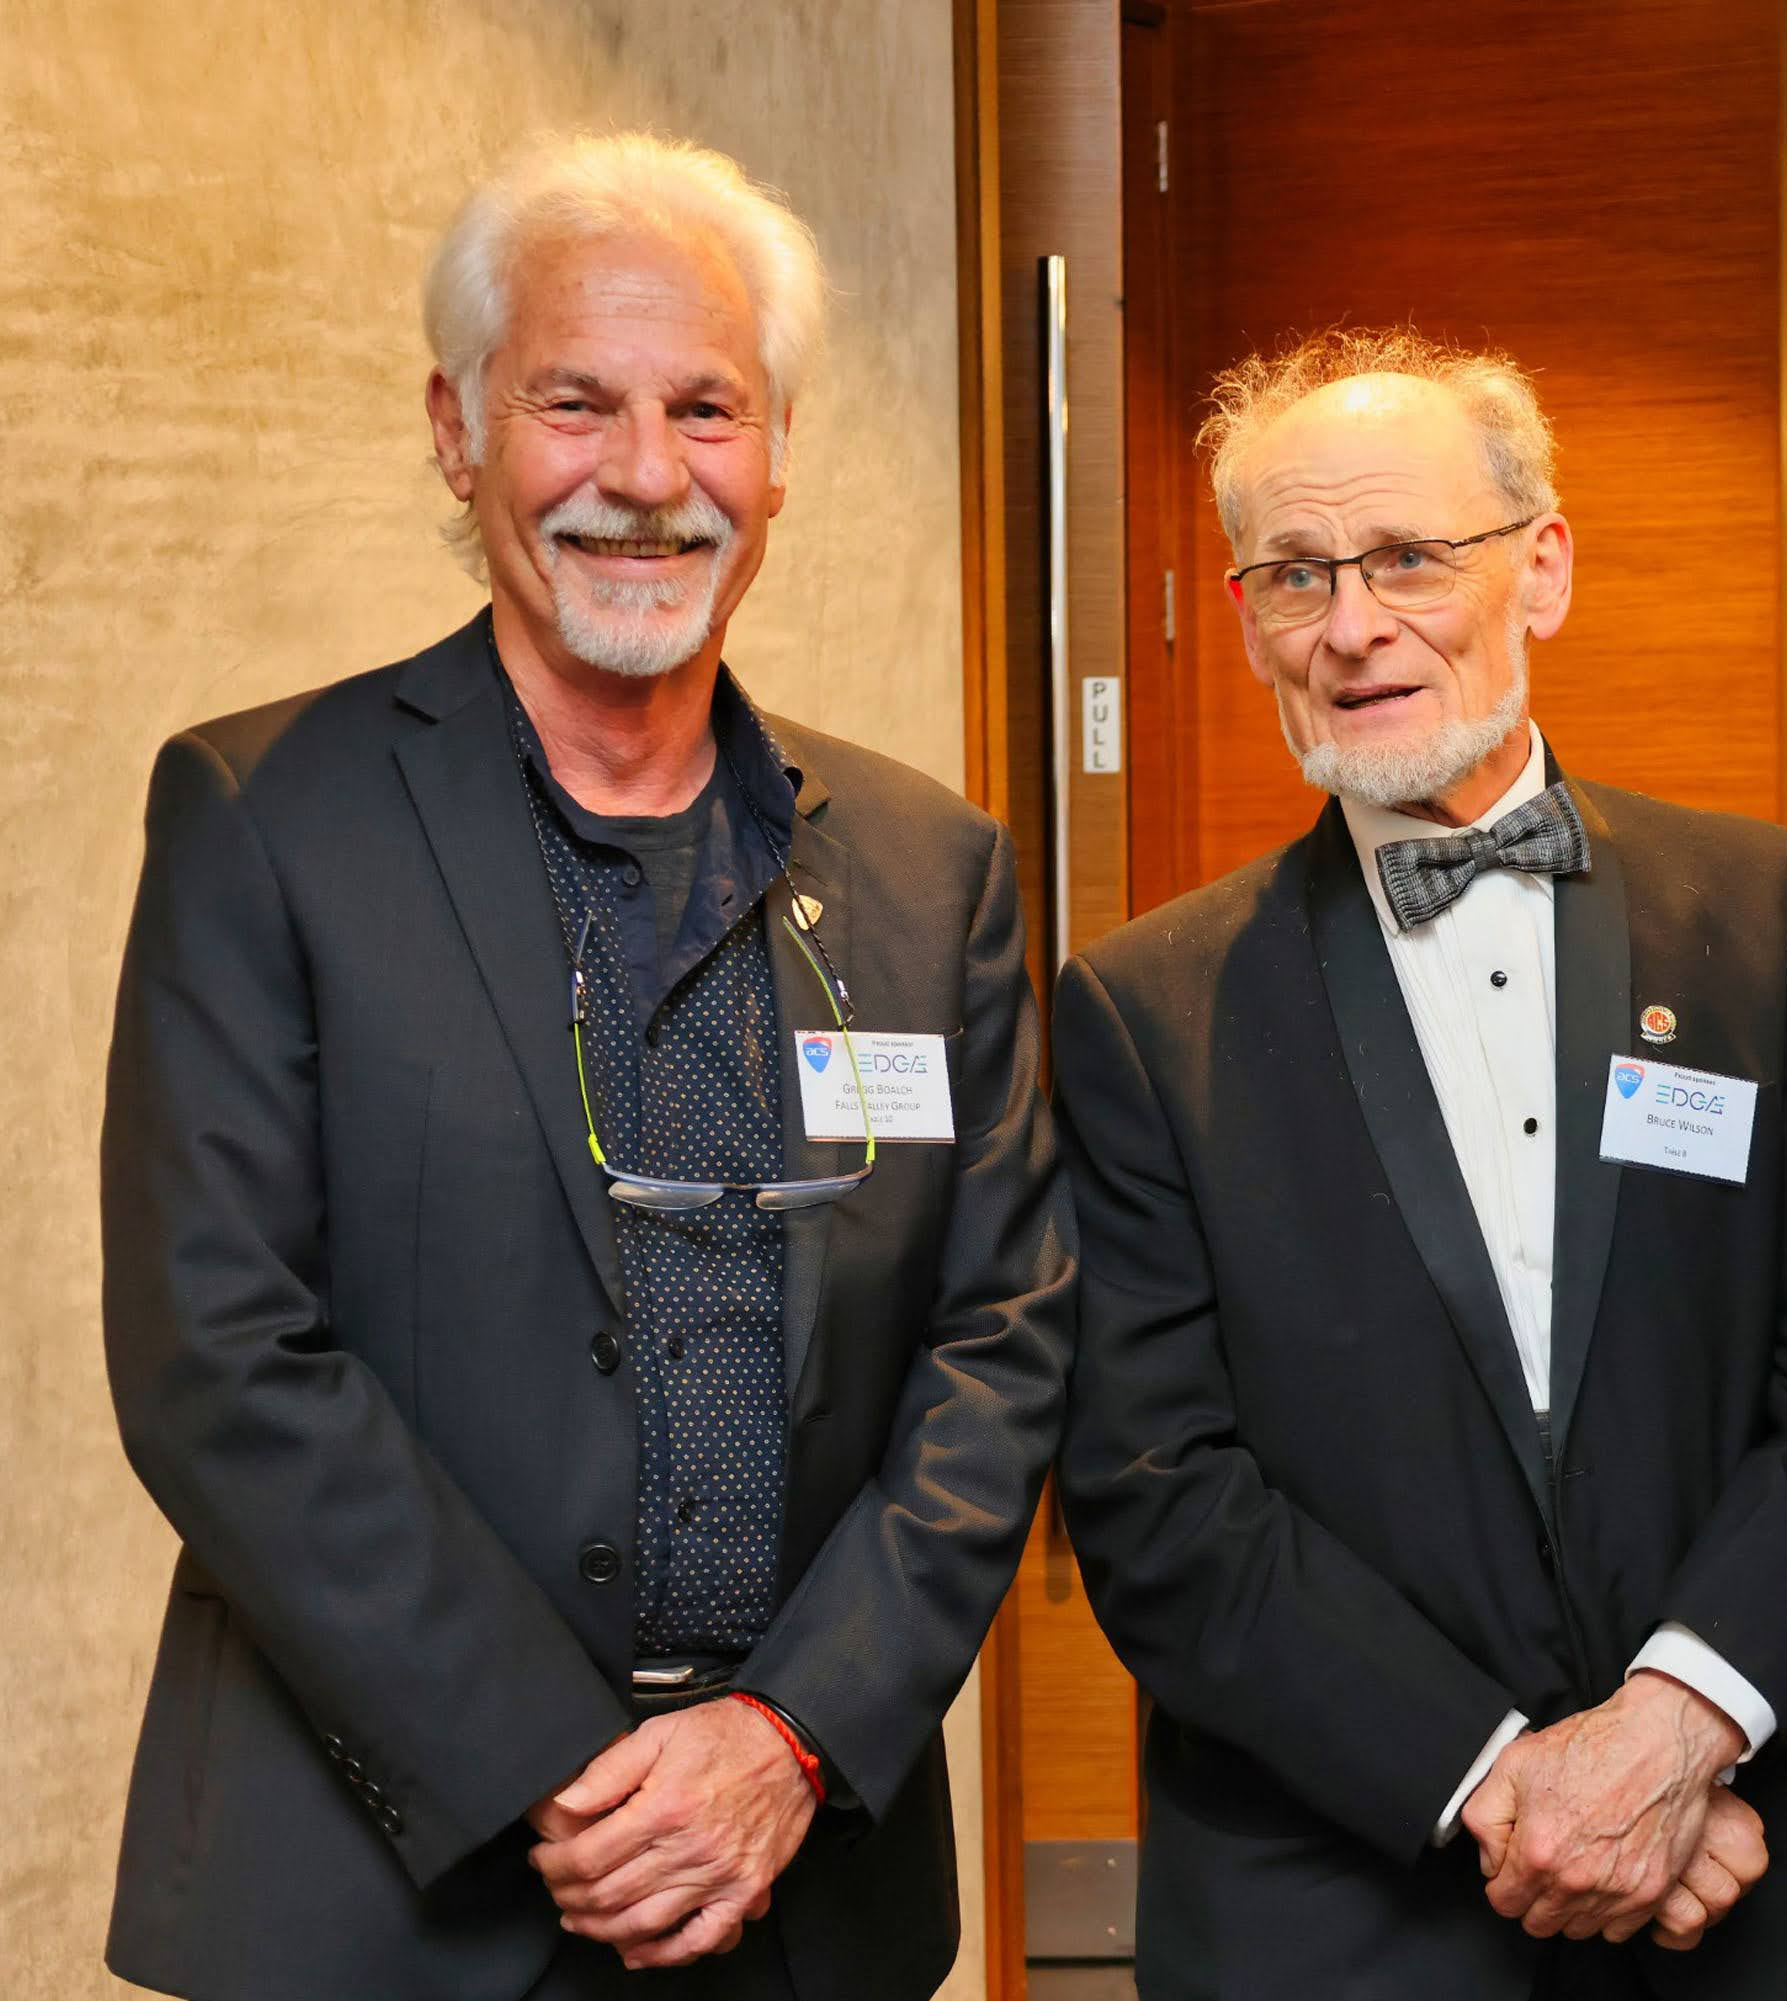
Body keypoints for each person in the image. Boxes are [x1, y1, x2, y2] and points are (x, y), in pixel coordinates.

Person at [100, 132, 1072, 2001]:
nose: (644, 475)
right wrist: (564, 1770)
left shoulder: (929, 867)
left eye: (706, 408)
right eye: (574, 403)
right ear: (457, 432)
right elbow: (218, 1350)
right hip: (388, 1893)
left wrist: (792, 1734)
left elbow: (1003, 1338)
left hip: (804, 1883)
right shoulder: (266, 819)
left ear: (776, 453)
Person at [1049, 329, 1787, 1998]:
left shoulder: (1766, 916)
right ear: (1244, 618)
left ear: (1545, 569)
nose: (1353, 625)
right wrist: (1517, 1789)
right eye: (1296, 576)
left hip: (1746, 1877)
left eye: (1409, 558)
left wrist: (1674, 1728)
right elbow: (1158, 1497)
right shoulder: (1147, 1011)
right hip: (1348, 1907)